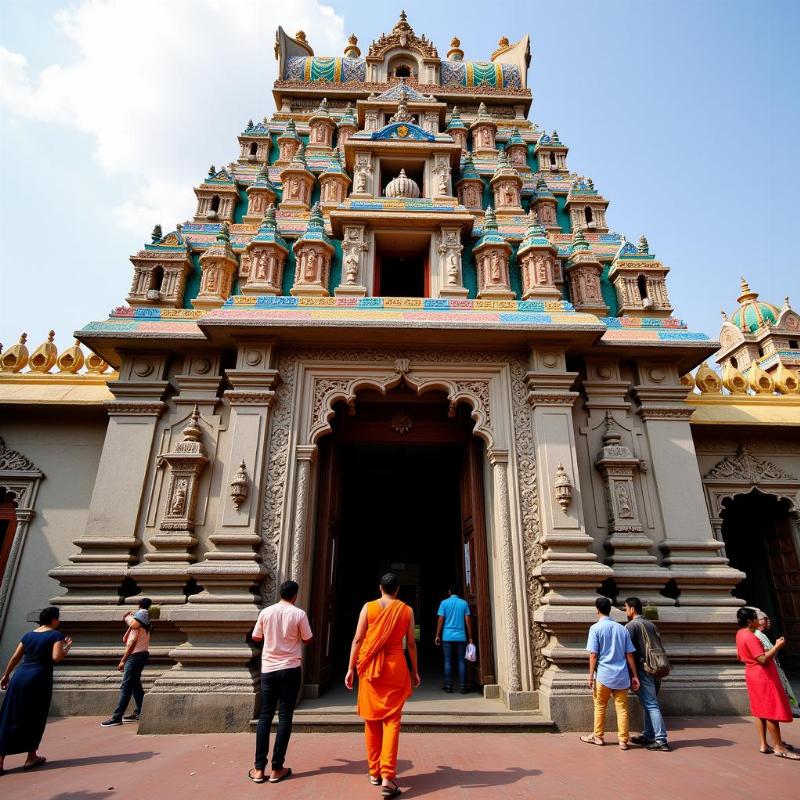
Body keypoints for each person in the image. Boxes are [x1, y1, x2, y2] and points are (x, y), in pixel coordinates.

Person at [345, 573, 420, 799]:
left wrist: (350, 668)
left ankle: (374, 772)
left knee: (371, 719)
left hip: (369, 668)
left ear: (380, 588)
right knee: (392, 721)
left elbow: (358, 639)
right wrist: (415, 670)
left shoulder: (368, 608)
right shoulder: (406, 611)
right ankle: (388, 777)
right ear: (397, 590)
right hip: (395, 667)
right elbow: (412, 643)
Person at [248, 579, 313, 784]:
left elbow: (256, 637)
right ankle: (277, 768)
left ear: (280, 594)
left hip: (269, 669)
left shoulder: (266, 613)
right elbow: (308, 638)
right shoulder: (299, 614)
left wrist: (272, 636)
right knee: (285, 716)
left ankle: (259, 769)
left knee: (265, 716)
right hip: (291, 669)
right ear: (295, 595)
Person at [0, 606, 72, 774]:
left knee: (9, 715)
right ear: (54, 620)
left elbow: (15, 657)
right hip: (39, 678)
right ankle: (31, 756)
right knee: (35, 716)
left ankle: (1, 760)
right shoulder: (56, 635)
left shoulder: (28, 635)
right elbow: (56, 657)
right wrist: (66, 648)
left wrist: (6, 675)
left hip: (20, 677)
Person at [735, 606, 798, 759]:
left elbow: (739, 656)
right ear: (750, 621)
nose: (759, 620)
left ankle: (764, 744)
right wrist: (777, 646)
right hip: (763, 676)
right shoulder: (750, 637)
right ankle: (779, 747)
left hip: (752, 674)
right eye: (756, 618)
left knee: (760, 711)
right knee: (771, 711)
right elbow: (762, 659)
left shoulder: (740, 634)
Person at [580, 596, 640, 750]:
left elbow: (593, 655)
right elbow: (630, 655)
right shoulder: (622, 628)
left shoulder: (595, 629)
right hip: (622, 676)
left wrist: (590, 676)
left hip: (604, 676)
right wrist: (635, 676)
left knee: (600, 706)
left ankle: (599, 737)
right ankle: (623, 740)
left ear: (597, 610)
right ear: (610, 609)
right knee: (622, 708)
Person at [624, 597, 670, 751]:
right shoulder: (651, 624)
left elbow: (628, 652)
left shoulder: (631, 626)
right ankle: (648, 734)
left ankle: (661, 739)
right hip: (657, 667)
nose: (626, 612)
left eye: (626, 608)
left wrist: (632, 674)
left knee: (651, 704)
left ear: (632, 609)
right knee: (649, 703)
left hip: (643, 668)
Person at [101, 597, 153, 727]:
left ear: (139, 605)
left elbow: (131, 644)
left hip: (135, 656)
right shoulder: (146, 621)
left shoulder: (138, 621)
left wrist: (123, 660)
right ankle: (141, 711)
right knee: (135, 684)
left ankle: (117, 717)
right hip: (142, 654)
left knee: (126, 686)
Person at [754, 609, 800, 719]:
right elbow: (765, 655)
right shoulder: (756, 635)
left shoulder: (761, 634)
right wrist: (777, 646)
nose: (768, 621)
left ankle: (790, 708)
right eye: (764, 619)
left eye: (768, 618)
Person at [435, 583, 473, 693]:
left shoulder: (444, 603)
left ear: (449, 592)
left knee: (448, 661)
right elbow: (467, 622)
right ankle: (462, 686)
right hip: (461, 636)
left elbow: (441, 619)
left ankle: (448, 685)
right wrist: (470, 637)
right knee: (461, 661)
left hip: (447, 636)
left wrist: (437, 635)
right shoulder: (464, 603)